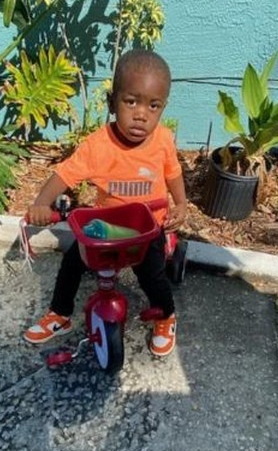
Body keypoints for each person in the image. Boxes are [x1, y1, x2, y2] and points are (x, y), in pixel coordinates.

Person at [23, 49, 186, 357]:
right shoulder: (98, 146)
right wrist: (41, 203)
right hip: (107, 227)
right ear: (112, 103)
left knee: (151, 275)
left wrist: (180, 204)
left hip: (147, 227)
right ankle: (60, 313)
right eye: (131, 101)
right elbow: (64, 175)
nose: (141, 114)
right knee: (72, 263)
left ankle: (165, 315)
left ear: (163, 108)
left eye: (153, 106)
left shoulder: (163, 140)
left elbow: (173, 173)